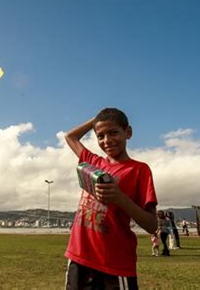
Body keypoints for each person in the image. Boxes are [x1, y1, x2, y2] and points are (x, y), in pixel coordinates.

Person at [64, 108, 158, 289]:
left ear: (128, 132)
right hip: (79, 257)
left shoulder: (139, 170)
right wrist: (97, 119)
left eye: (113, 132)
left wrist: (120, 198)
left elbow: (152, 225)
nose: (107, 140)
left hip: (114, 265)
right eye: (100, 136)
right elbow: (70, 137)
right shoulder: (92, 162)